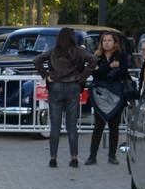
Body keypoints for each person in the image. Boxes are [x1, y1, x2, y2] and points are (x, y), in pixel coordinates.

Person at [33, 27, 95, 168]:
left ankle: (53, 158)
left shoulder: (53, 51)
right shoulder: (79, 50)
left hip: (55, 87)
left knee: (55, 125)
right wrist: (82, 77)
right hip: (73, 87)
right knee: (71, 125)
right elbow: (93, 60)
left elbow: (36, 60)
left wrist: (46, 75)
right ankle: (74, 158)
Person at [86, 32, 131, 165]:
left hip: (116, 95)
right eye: (104, 40)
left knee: (114, 126)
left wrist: (104, 71)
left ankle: (112, 156)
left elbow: (123, 72)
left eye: (109, 40)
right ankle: (92, 156)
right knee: (98, 126)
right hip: (100, 96)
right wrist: (110, 67)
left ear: (115, 42)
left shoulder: (121, 56)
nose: (107, 42)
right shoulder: (97, 56)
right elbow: (95, 74)